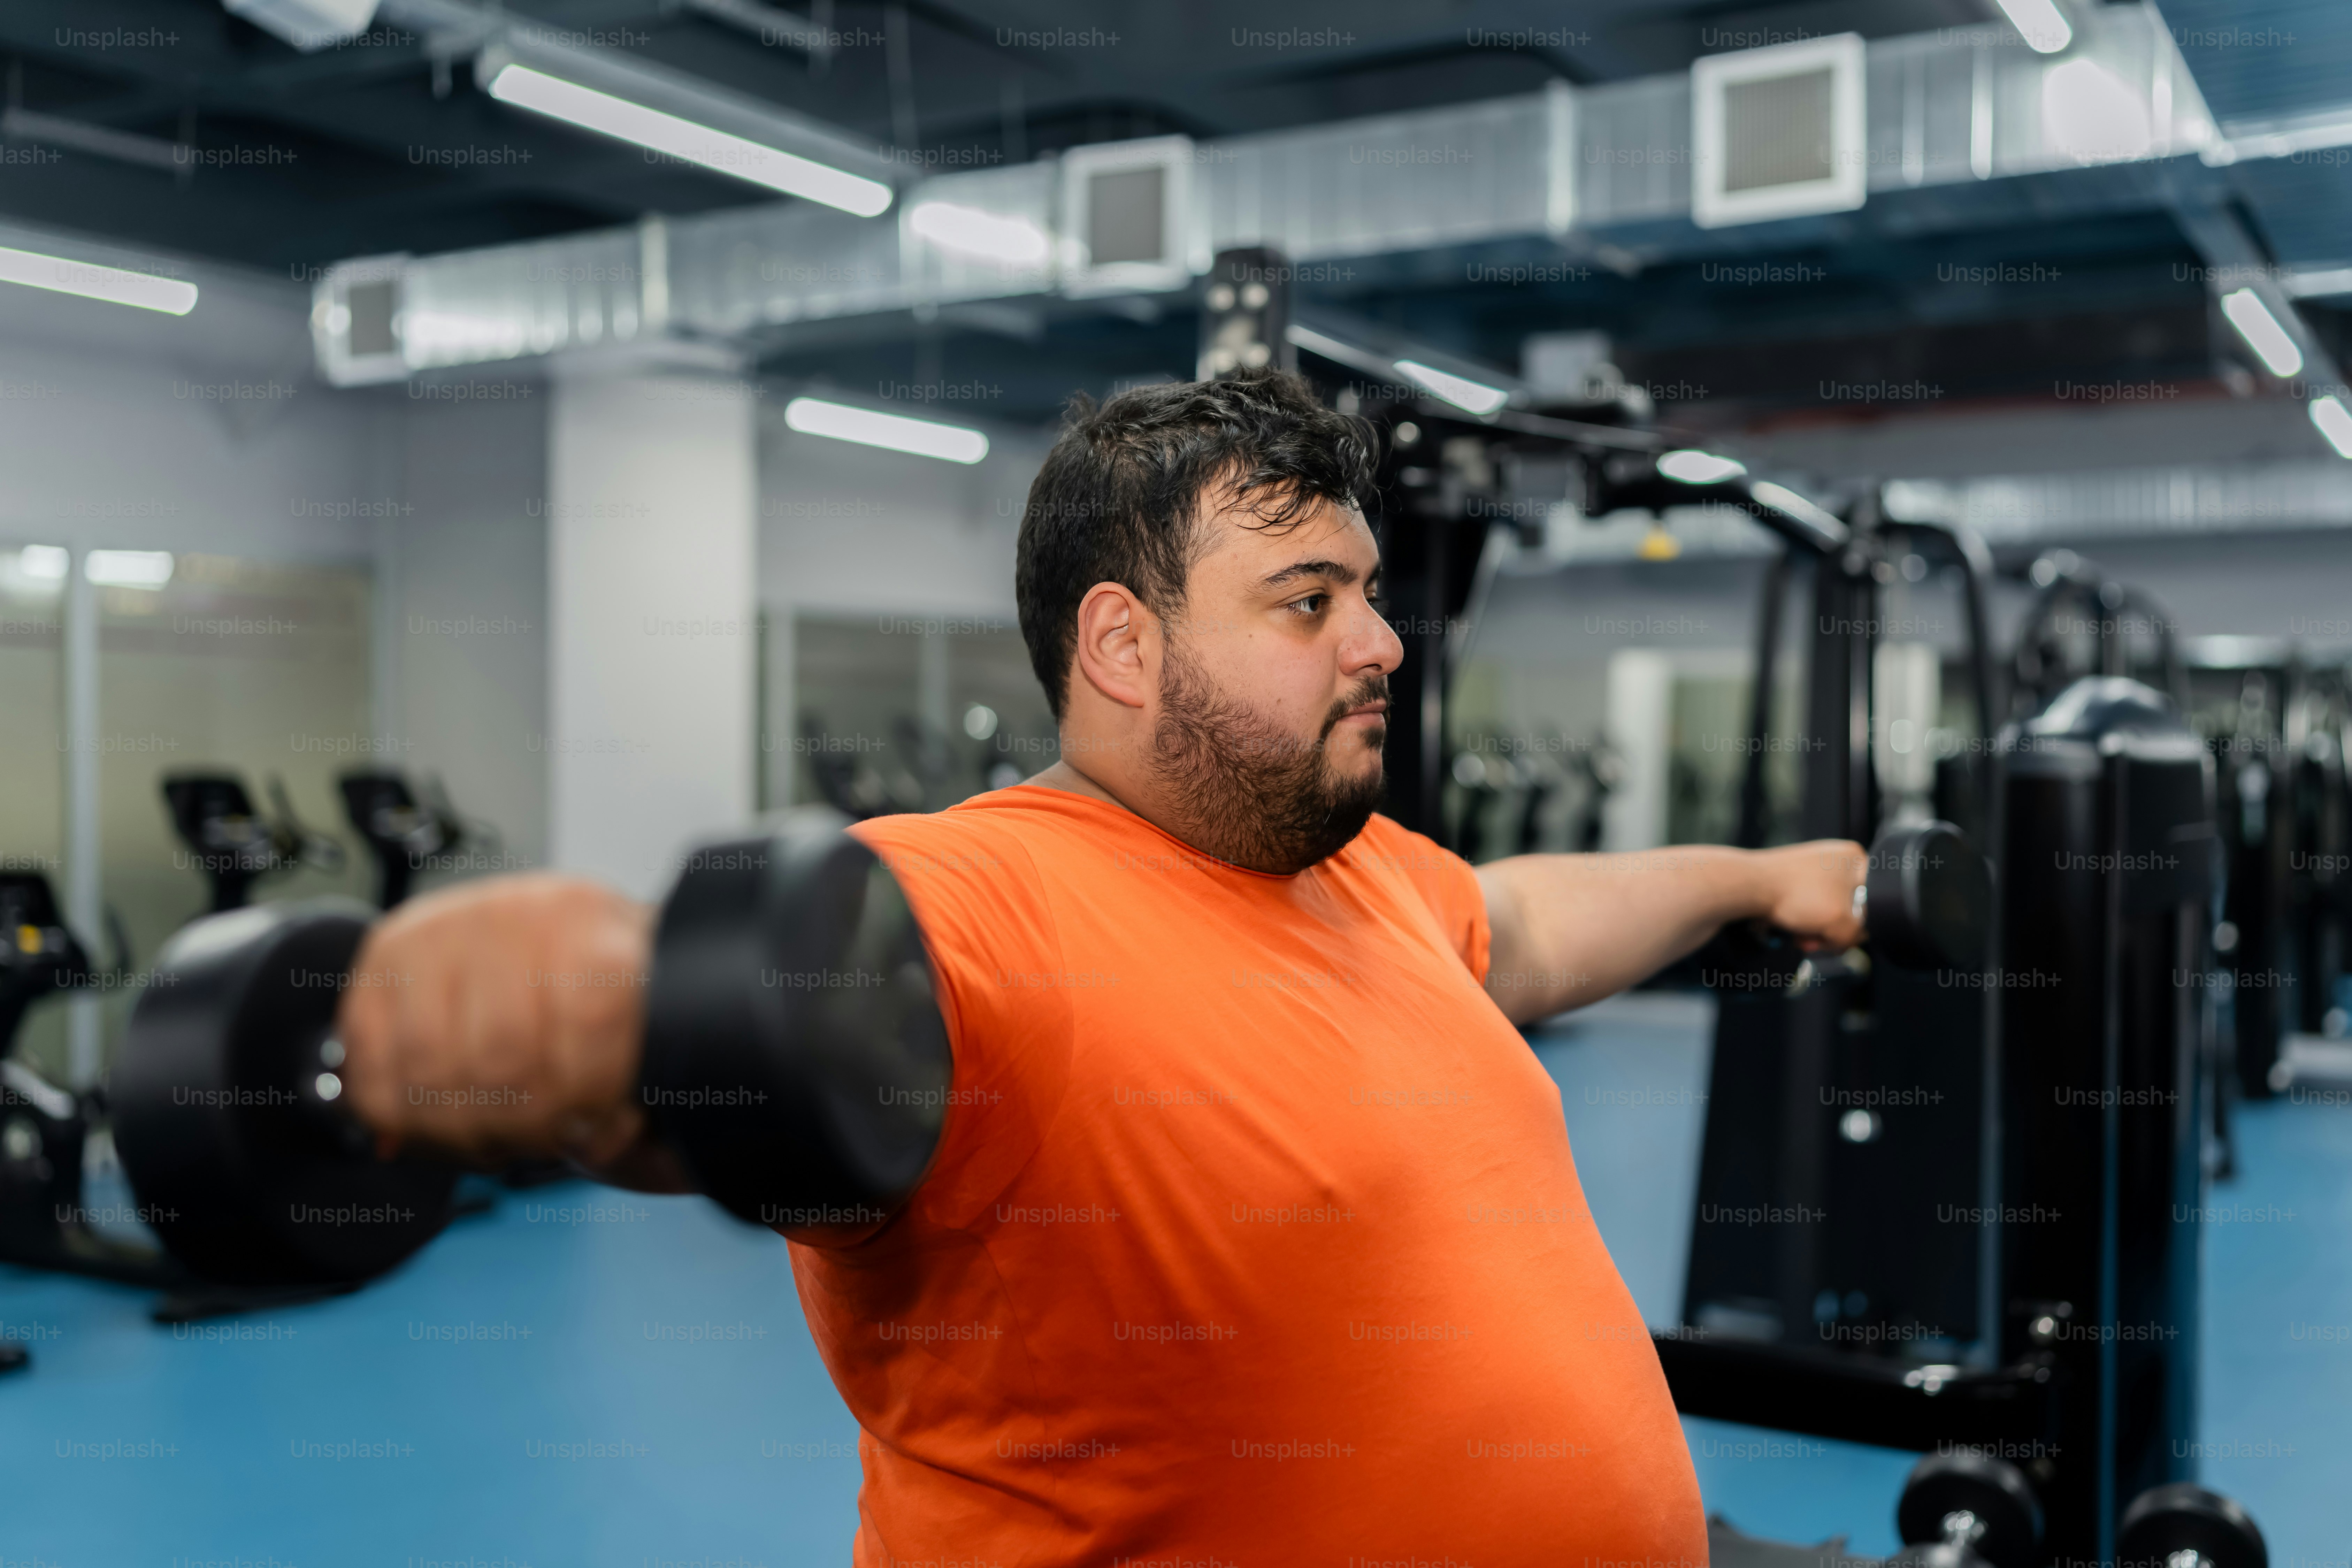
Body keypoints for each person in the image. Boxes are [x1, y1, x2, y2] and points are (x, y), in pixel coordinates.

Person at [338, 369, 1866, 1564]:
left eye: (1370, 594)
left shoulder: (1348, 866)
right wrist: (591, 1022)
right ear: (1123, 647)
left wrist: (1760, 875)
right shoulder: (979, 896)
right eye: (1307, 602)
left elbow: (1520, 928)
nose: (1380, 643)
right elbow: (775, 1030)